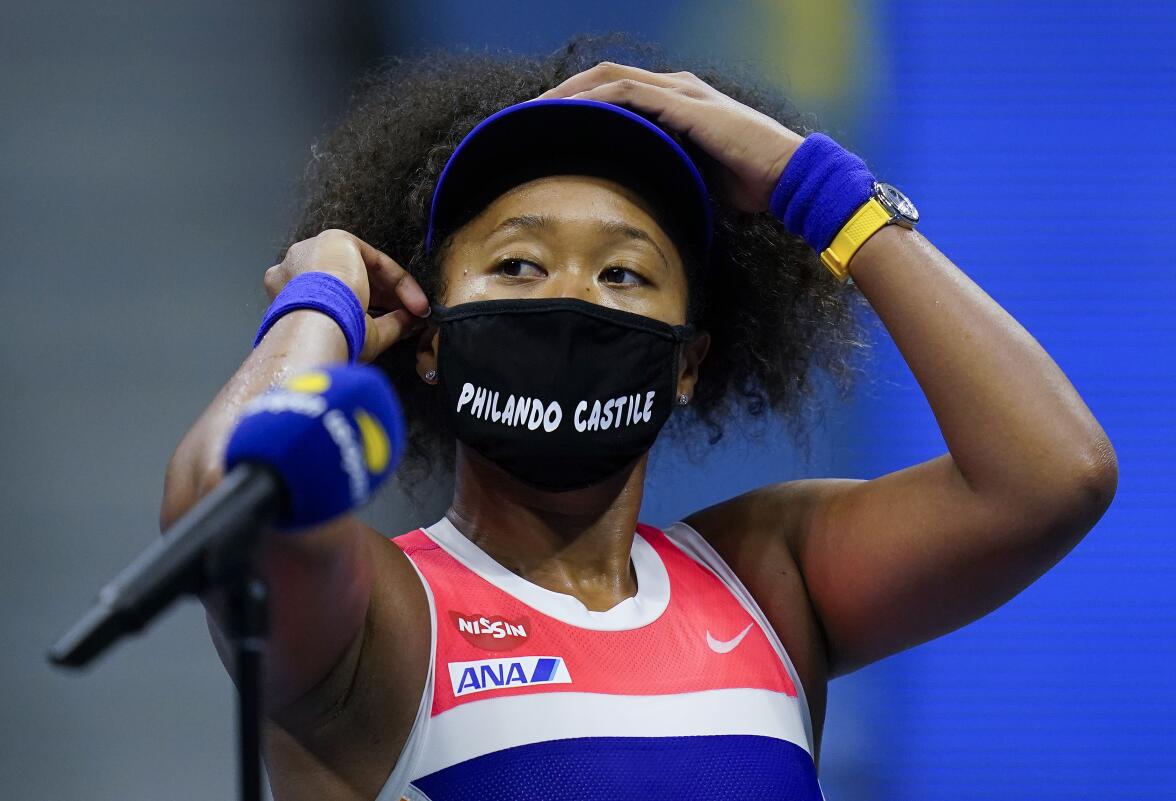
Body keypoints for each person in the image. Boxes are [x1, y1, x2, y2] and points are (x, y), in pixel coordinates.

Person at [160, 35, 1118, 801]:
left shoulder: (766, 581)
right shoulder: (382, 618)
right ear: (432, 340)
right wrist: (317, 303)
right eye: (518, 266)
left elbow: (1054, 473)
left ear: (689, 361)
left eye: (624, 273)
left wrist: (819, 188)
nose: (571, 299)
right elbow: (222, 506)